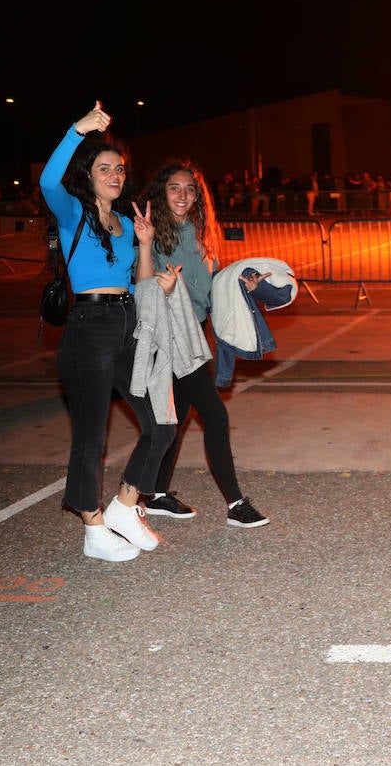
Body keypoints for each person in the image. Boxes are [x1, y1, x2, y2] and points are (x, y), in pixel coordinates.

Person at [39, 102, 179, 562]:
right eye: (105, 168)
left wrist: (142, 246)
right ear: (88, 174)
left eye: (119, 168)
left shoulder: (123, 223)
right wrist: (77, 128)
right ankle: (93, 527)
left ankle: (125, 505)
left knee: (161, 422)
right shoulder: (72, 212)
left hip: (125, 322)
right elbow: (46, 181)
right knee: (91, 436)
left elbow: (137, 283)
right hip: (88, 326)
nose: (116, 175)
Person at [128, 160, 269, 528]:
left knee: (177, 416)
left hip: (197, 330)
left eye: (190, 189)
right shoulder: (152, 232)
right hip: (171, 333)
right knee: (216, 417)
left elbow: (212, 284)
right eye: (174, 187)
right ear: (161, 191)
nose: (183, 195)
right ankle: (236, 504)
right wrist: (159, 276)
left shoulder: (201, 231)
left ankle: (156, 494)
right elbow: (142, 284)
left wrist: (241, 284)